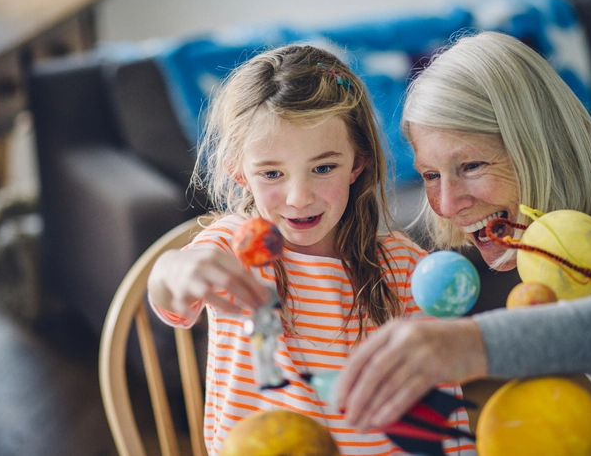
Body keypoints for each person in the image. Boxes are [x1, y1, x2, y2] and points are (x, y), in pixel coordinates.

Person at [333, 31, 591, 455]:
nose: (447, 204)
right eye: (431, 175)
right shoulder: (556, 256)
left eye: (472, 165)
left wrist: (473, 344)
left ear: (540, 147)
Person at [146, 44, 476, 456]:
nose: (299, 197)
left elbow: (439, 410)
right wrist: (176, 268)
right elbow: (169, 290)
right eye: (272, 173)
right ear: (238, 171)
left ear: (358, 163)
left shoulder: (406, 267)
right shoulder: (233, 248)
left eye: (323, 168)